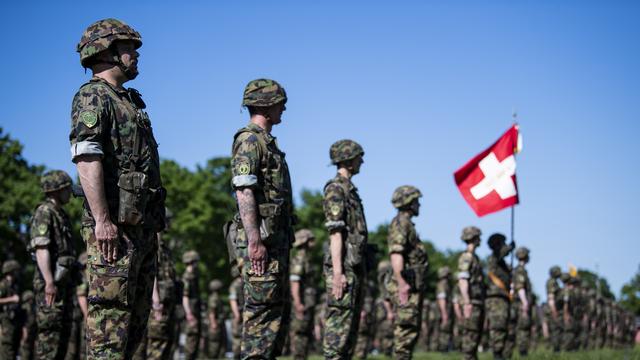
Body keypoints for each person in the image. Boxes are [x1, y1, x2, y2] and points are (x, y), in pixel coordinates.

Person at [70, 18, 165, 359]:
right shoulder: (93, 97)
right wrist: (102, 221)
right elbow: (86, 158)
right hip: (114, 234)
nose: (135, 55)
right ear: (106, 51)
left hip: (140, 230)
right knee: (109, 334)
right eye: (128, 48)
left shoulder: (130, 102)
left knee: (134, 334)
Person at [231, 78, 293, 359]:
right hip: (262, 247)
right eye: (280, 103)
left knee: (274, 324)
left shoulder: (267, 143)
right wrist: (254, 242)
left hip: (275, 245)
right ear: (267, 106)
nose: (284, 109)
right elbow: (244, 190)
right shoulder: (250, 139)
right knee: (260, 322)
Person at [322, 139, 368, 360]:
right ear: (349, 160)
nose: (362, 161)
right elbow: (335, 232)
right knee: (336, 338)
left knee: (349, 337)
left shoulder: (351, 191)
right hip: (343, 269)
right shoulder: (336, 189)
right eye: (359, 156)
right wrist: (338, 273)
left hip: (353, 267)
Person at [29, 170, 77, 360]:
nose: (70, 193)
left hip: (63, 285)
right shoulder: (45, 212)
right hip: (51, 286)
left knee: (62, 339)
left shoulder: (60, 214)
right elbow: (41, 248)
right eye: (66, 189)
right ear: (56, 190)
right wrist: (49, 282)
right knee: (49, 339)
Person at [386, 185, 427, 359]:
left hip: (411, 286)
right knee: (405, 335)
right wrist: (402, 285)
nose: (419, 205)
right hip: (406, 287)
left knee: (409, 335)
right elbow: (396, 254)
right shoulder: (402, 223)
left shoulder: (406, 223)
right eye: (417, 201)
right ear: (409, 202)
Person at [456, 226, 485, 360]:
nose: (480, 240)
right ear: (473, 238)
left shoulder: (475, 257)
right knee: (470, 336)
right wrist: (467, 302)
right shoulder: (467, 257)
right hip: (471, 302)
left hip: (477, 301)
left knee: (475, 335)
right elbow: (463, 280)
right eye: (478, 237)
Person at [484, 233, 514, 360]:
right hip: (496, 296)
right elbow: (499, 253)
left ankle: (502, 353)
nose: (505, 245)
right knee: (498, 326)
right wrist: (510, 248)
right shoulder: (494, 257)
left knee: (504, 327)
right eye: (503, 243)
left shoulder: (502, 263)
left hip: (503, 297)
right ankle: (497, 354)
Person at [289, 229, 317, 360]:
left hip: (308, 303)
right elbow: (295, 282)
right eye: (311, 239)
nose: (314, 242)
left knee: (305, 334)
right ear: (305, 241)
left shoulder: (307, 258)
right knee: (300, 335)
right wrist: (298, 303)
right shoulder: (300, 259)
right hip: (302, 304)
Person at [0, 260, 22, 359]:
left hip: (14, 320)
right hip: (6, 320)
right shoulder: (3, 285)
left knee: (14, 346)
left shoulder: (14, 285)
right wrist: (11, 299)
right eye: (16, 271)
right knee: (7, 347)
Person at [181, 251, 201, 360]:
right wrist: (189, 314)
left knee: (195, 342)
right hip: (191, 314)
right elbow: (185, 297)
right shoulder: (187, 277)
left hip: (195, 312)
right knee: (191, 343)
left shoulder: (193, 276)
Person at [513, 247, 533, 356]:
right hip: (521, 303)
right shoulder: (520, 270)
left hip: (519, 303)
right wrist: (525, 302)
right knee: (523, 329)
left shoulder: (518, 270)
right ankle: (523, 353)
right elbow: (520, 287)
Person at [544, 265, 563, 352]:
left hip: (555, 309)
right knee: (555, 330)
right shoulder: (552, 282)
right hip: (553, 309)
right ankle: (556, 350)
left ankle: (557, 349)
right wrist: (554, 311)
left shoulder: (554, 282)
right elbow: (551, 298)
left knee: (557, 330)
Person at [435, 266, 453, 352]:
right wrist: (444, 313)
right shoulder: (443, 283)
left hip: (444, 310)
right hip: (444, 311)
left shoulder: (442, 283)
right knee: (445, 329)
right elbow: (442, 298)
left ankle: (443, 347)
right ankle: (443, 348)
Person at [206, 280, 225, 359]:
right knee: (214, 347)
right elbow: (212, 312)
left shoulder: (215, 297)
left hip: (217, 324)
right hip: (215, 324)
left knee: (218, 347)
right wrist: (213, 323)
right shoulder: (214, 298)